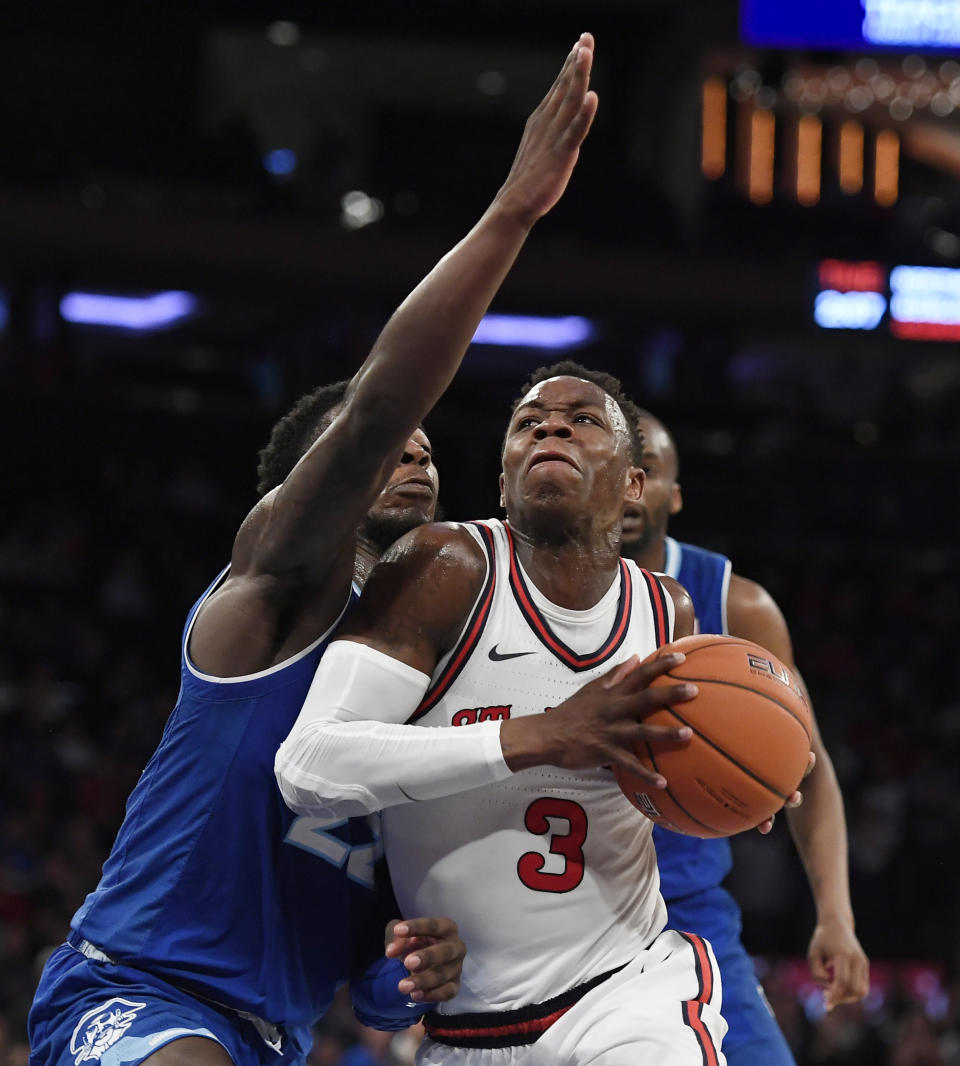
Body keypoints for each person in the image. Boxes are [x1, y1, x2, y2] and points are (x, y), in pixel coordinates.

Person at [27, 33, 603, 1066]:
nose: (417, 455)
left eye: (430, 451)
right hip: (137, 989)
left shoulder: (425, 687)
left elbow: (376, 989)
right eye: (392, 453)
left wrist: (412, 966)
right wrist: (512, 211)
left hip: (276, 1038)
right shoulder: (273, 596)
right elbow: (383, 400)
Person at [276, 362, 787, 1065]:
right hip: (463, 1028)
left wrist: (743, 781)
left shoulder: (666, 610)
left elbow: (671, 772)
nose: (552, 424)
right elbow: (307, 766)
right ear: (503, 479)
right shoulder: (446, 565)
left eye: (584, 419)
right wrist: (535, 736)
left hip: (627, 994)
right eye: (529, 422)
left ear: (634, 484)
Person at [620, 408, 870, 1066]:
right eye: (617, 470)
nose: (629, 487)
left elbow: (809, 773)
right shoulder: (521, 586)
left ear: (674, 494)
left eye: (647, 474)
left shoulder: (737, 605)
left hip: (687, 910)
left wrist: (836, 915)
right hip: (554, 896)